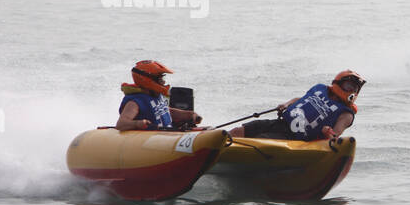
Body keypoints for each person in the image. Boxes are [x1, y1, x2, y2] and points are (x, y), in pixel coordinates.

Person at [231, 71, 365, 141]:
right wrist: (286, 104)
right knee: (238, 132)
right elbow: (301, 99)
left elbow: (335, 135)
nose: (351, 91)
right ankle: (213, 141)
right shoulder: (320, 89)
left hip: (294, 138)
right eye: (349, 86)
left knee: (259, 141)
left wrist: (328, 132)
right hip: (281, 123)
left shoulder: (346, 114)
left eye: (355, 89)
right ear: (338, 82)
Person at [115, 60, 201, 130]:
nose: (163, 82)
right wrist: (139, 124)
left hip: (165, 134)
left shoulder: (156, 95)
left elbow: (164, 111)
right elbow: (121, 124)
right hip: (147, 139)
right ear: (147, 80)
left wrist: (189, 114)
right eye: (160, 79)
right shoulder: (134, 102)